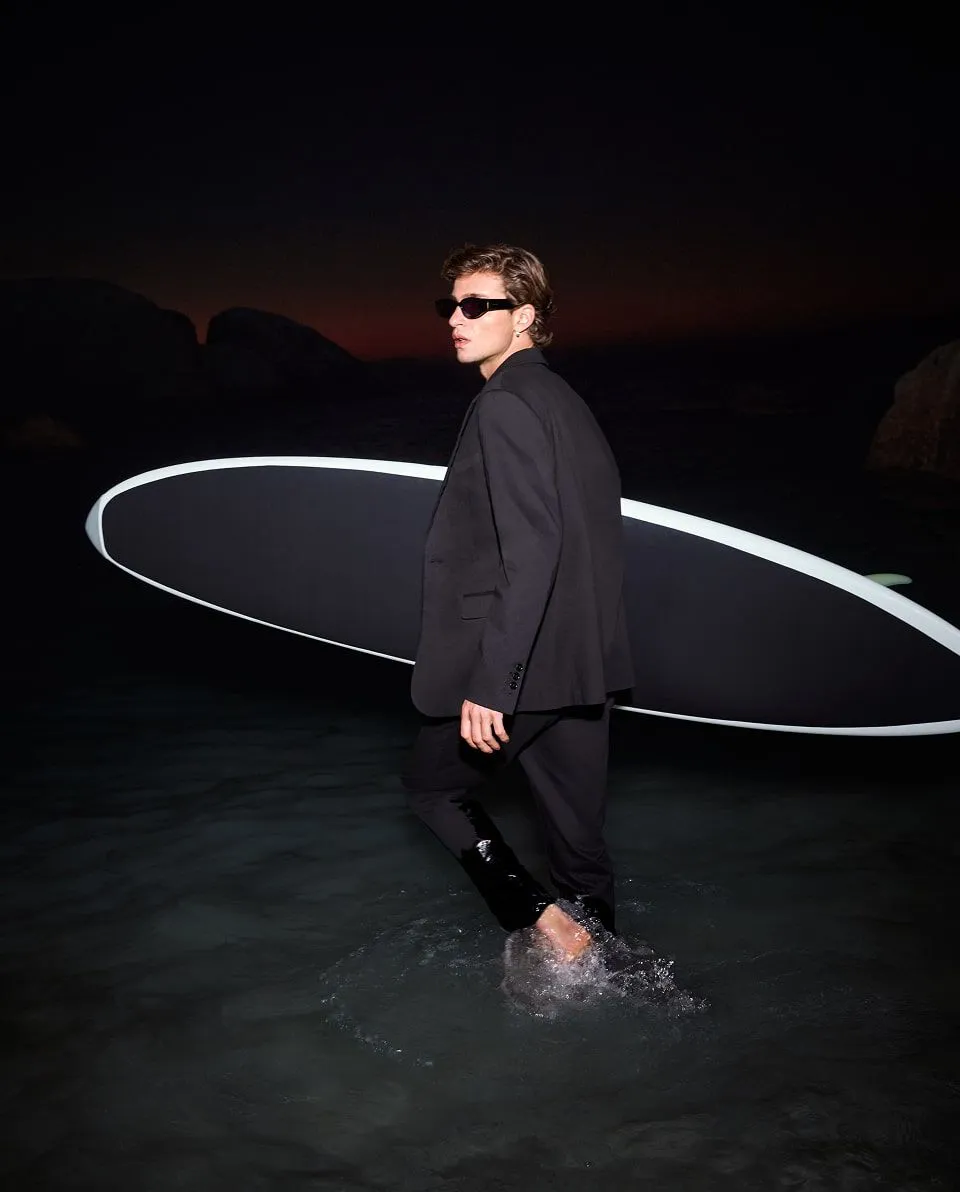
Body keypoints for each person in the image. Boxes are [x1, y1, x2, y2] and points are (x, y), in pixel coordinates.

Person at [400, 243, 633, 962]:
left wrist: (492, 683)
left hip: (525, 664)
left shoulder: (504, 403)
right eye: (451, 306)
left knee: (433, 791)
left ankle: (543, 921)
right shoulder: (562, 400)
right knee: (577, 841)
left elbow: (533, 548)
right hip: (581, 662)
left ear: (525, 315)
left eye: (478, 306)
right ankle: (602, 978)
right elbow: (585, 535)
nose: (456, 319)